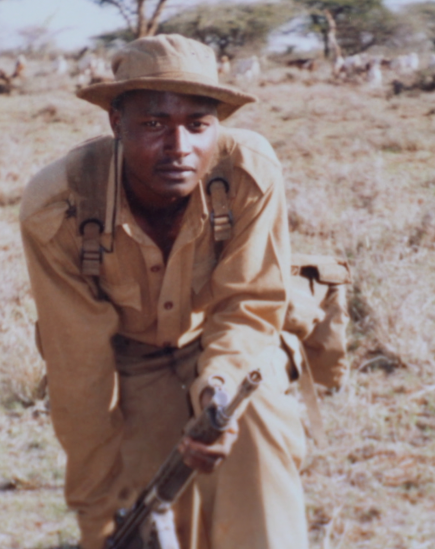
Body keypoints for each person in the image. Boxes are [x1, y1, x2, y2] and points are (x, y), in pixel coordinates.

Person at [19, 35, 308, 549]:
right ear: (117, 123)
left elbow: (248, 306)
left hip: (222, 339)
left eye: (198, 125)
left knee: (254, 414)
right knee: (145, 507)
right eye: (153, 125)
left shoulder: (248, 174)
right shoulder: (57, 207)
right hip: (126, 358)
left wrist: (216, 387)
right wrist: (98, 519)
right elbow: (79, 373)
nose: (179, 148)